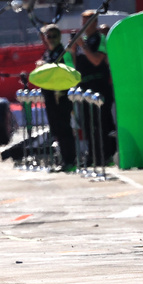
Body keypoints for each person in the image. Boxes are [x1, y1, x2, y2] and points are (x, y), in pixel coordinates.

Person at [68, 11, 115, 163]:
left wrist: (84, 46)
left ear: (94, 23)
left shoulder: (99, 39)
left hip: (99, 85)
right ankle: (92, 154)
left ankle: (106, 154)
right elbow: (75, 66)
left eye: (86, 23)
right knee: (87, 123)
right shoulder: (85, 41)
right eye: (82, 22)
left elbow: (96, 61)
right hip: (85, 86)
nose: (83, 26)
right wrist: (74, 50)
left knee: (102, 122)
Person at [38, 24, 77, 171]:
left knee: (65, 128)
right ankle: (63, 159)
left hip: (61, 96)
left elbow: (71, 70)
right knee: (56, 130)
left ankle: (70, 160)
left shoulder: (64, 52)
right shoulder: (47, 54)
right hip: (49, 96)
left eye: (54, 36)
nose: (52, 39)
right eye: (49, 37)